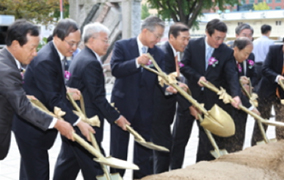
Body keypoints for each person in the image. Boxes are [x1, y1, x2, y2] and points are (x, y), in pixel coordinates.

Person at [12, 19, 94, 180]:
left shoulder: (54, 53)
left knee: (29, 173)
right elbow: (54, 99)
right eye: (71, 43)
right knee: (38, 173)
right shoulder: (46, 59)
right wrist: (78, 122)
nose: (74, 48)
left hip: (33, 125)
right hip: (31, 128)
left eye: (77, 43)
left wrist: (66, 89)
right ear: (57, 37)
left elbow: (49, 85)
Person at [54, 22, 130, 179]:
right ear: (92, 39)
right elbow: (98, 98)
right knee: (96, 167)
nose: (108, 44)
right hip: (86, 125)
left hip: (76, 122)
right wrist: (116, 117)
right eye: (105, 40)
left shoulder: (83, 56)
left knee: (68, 163)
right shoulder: (90, 62)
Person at [110, 16, 177, 179]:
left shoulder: (158, 53)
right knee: (118, 151)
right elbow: (115, 69)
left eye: (161, 36)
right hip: (123, 108)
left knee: (143, 154)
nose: (159, 39)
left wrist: (168, 87)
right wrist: (136, 62)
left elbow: (159, 80)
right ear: (145, 31)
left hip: (146, 109)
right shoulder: (122, 46)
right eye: (157, 35)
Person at [0, 20, 74, 160]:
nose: (35, 53)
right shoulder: (6, 70)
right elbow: (23, 107)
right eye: (32, 48)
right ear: (16, 44)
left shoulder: (5, 62)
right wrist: (57, 123)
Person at [180, 19, 241, 162]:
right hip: (189, 99)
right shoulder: (193, 45)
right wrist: (196, 77)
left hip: (211, 102)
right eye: (217, 38)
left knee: (207, 140)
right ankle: (174, 171)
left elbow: (232, 75)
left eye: (223, 38)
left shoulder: (226, 52)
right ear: (207, 33)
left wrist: (236, 95)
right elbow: (183, 66)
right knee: (180, 138)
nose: (220, 42)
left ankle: (202, 169)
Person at [151, 23, 191, 173]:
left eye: (188, 39)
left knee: (163, 152)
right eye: (183, 39)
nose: (186, 43)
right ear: (171, 37)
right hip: (158, 112)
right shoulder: (163, 53)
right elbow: (161, 82)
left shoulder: (174, 52)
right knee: (162, 152)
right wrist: (189, 105)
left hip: (166, 112)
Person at [222, 37, 259, 152]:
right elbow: (231, 82)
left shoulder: (248, 58)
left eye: (249, 54)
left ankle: (237, 153)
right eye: (245, 53)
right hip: (228, 102)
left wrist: (249, 86)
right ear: (236, 49)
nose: (247, 57)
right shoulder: (228, 60)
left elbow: (254, 74)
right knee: (228, 135)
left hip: (243, 99)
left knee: (240, 132)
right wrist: (251, 107)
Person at [251, 43, 284, 146]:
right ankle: (256, 145)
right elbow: (265, 69)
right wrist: (277, 77)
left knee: (281, 120)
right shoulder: (274, 49)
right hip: (267, 90)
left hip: (282, 95)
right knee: (262, 119)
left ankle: (280, 145)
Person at [252, 24, 274, 89]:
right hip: (266, 66)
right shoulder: (271, 42)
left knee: (255, 85)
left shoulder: (254, 42)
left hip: (255, 65)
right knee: (265, 86)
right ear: (269, 31)